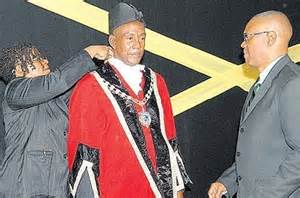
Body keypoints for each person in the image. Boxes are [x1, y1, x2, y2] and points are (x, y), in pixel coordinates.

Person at [67, 2, 191, 198]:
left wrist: (178, 191)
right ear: (112, 41)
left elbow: (170, 142)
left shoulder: (157, 82)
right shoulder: (90, 87)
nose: (137, 44)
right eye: (129, 37)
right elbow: (84, 158)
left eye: (142, 38)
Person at [208, 11, 300, 198]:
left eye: (247, 37)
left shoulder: (292, 84)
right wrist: (228, 181)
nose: (243, 44)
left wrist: (267, 194)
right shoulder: (262, 84)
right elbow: (257, 151)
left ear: (271, 38)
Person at [0, 43, 111, 197]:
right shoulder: (15, 91)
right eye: (37, 59)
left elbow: (77, 85)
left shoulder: (55, 99)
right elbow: (57, 81)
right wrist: (90, 52)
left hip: (56, 189)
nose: (45, 61)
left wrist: (108, 66)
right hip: (23, 189)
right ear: (18, 70)